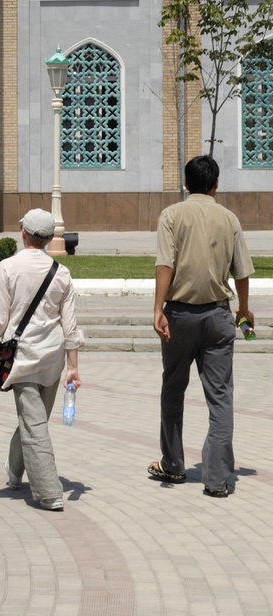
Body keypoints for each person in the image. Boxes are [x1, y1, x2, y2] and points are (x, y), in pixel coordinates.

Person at [149, 155, 254, 498]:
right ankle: (218, 479)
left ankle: (174, 464)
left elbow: (165, 263)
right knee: (220, 398)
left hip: (178, 316)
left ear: (185, 182)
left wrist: (158, 309)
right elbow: (241, 272)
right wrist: (245, 309)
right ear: (216, 183)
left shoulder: (172, 215)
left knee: (173, 390)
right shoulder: (229, 219)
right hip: (219, 317)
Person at [0, 208, 84, 512]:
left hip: (21, 357)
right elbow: (71, 325)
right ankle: (15, 474)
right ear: (51, 237)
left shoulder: (8, 268)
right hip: (52, 360)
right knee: (34, 421)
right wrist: (73, 366)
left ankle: (49, 492)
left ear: (23, 233)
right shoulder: (61, 272)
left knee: (34, 423)